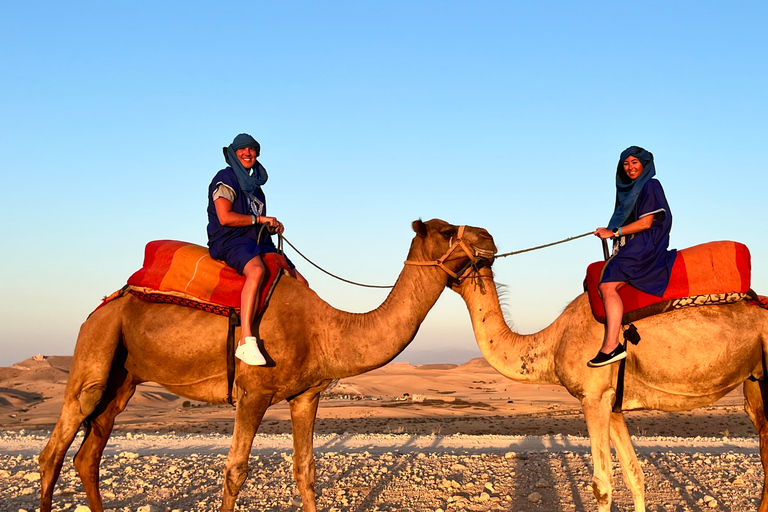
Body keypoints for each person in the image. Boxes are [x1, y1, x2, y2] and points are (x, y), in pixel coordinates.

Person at [207, 133, 308, 366]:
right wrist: (260, 219)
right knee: (257, 271)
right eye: (242, 150)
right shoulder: (226, 178)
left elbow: (256, 220)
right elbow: (225, 217)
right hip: (230, 240)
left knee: (300, 283)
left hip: (258, 242)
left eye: (252, 149)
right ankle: (246, 339)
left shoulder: (257, 189)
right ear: (233, 153)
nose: (247, 153)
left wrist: (270, 226)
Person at [588, 146, 677, 368]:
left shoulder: (650, 185)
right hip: (636, 243)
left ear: (645, 165)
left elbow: (647, 222)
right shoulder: (629, 191)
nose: (630, 168)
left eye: (635, 162)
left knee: (607, 286)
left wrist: (615, 232)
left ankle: (612, 345)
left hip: (647, 244)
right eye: (626, 164)